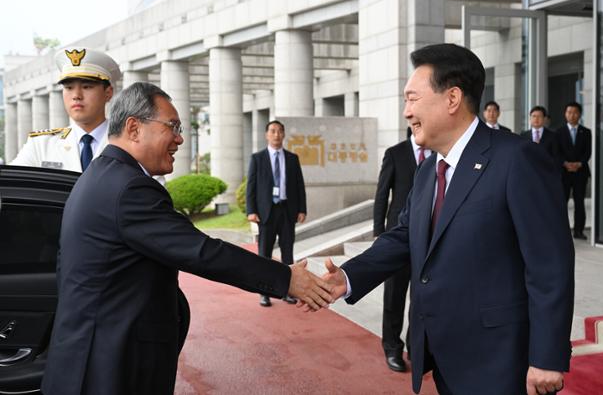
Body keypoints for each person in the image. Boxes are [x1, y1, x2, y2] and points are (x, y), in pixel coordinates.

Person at [40, 82, 333, 395]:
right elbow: (202, 252)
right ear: (134, 128)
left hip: (86, 359)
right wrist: (286, 278)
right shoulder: (129, 189)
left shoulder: (98, 176)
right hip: (108, 368)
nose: (180, 138)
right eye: (172, 127)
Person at [317, 44, 574, 395]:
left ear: (452, 98)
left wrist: (547, 356)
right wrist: (347, 277)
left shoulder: (517, 159)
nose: (406, 112)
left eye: (412, 99)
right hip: (444, 355)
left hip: (500, 361)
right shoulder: (428, 170)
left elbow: (550, 265)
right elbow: (405, 235)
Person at [373, 125, 429, 372]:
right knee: (394, 296)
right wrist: (379, 233)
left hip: (428, 239)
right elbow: (382, 194)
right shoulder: (395, 153)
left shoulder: (438, 154)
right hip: (397, 237)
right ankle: (392, 348)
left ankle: (415, 348)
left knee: (420, 299)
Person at [11, 47, 120, 172]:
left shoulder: (128, 143)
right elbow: (10, 183)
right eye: (69, 88)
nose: (76, 95)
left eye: (87, 87)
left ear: (108, 93)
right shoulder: (41, 145)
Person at [246, 120, 307, 307]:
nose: (276, 134)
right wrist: (251, 210)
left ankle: (289, 291)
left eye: (280, 131)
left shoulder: (292, 158)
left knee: (288, 254)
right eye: (272, 131)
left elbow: (299, 185)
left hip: (287, 211)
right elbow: (251, 186)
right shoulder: (258, 158)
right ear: (266, 135)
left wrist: (302, 209)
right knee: (264, 254)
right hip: (266, 213)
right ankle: (264, 292)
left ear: (284, 135)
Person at [556, 101, 592, 240]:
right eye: (569, 112)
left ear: (580, 115)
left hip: (580, 172)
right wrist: (565, 163)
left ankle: (578, 231)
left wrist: (579, 163)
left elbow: (588, 152)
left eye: (575, 112)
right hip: (563, 172)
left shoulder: (586, 132)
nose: (572, 115)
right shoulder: (558, 132)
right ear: (565, 114)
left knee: (579, 203)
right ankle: (561, 231)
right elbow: (556, 152)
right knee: (561, 203)